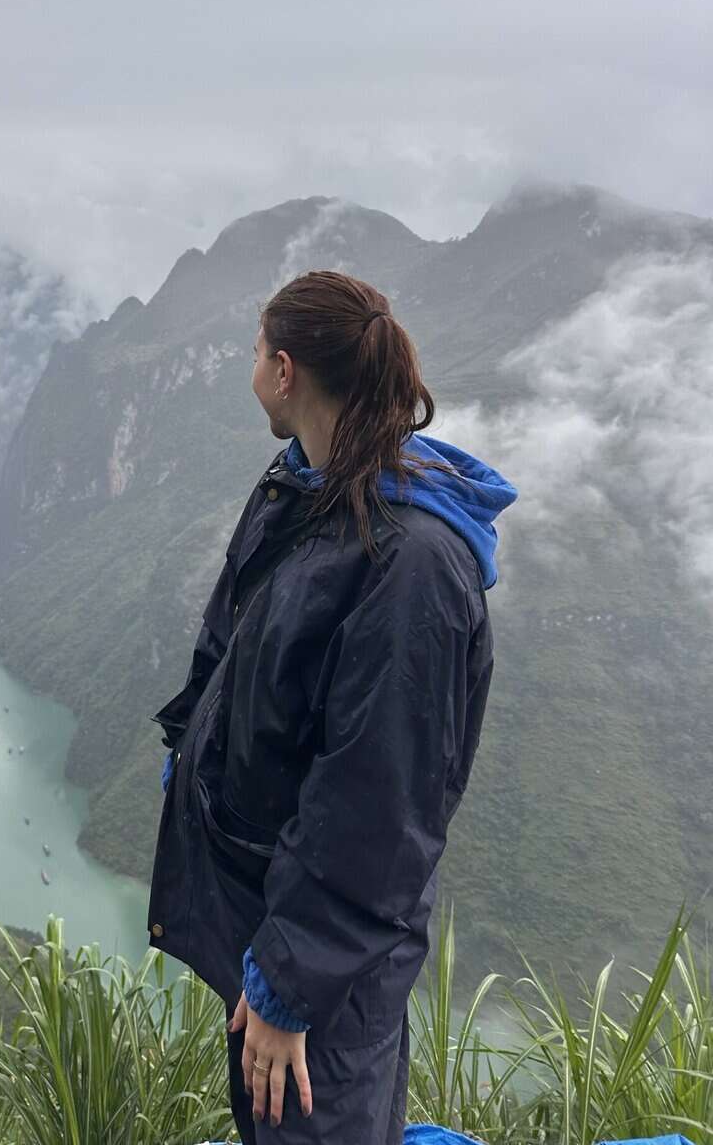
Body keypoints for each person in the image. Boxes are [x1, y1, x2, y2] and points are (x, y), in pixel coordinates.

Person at [145, 270, 517, 1144]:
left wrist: (288, 985)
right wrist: (189, 746)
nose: (248, 371)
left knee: (314, 1123)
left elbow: (380, 808)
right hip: (270, 911)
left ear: (284, 370)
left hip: (323, 962)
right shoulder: (304, 488)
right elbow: (229, 641)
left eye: (251, 352)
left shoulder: (412, 565)